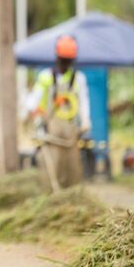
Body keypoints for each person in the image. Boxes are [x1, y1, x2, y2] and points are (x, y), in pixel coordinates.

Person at [25, 34, 92, 189]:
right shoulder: (46, 77)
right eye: (63, 60)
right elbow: (33, 101)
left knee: (72, 171)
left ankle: (72, 194)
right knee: (51, 171)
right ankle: (50, 195)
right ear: (57, 57)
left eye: (68, 61)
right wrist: (29, 116)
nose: (65, 64)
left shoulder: (78, 78)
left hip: (70, 134)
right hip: (50, 134)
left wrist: (86, 120)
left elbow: (83, 101)